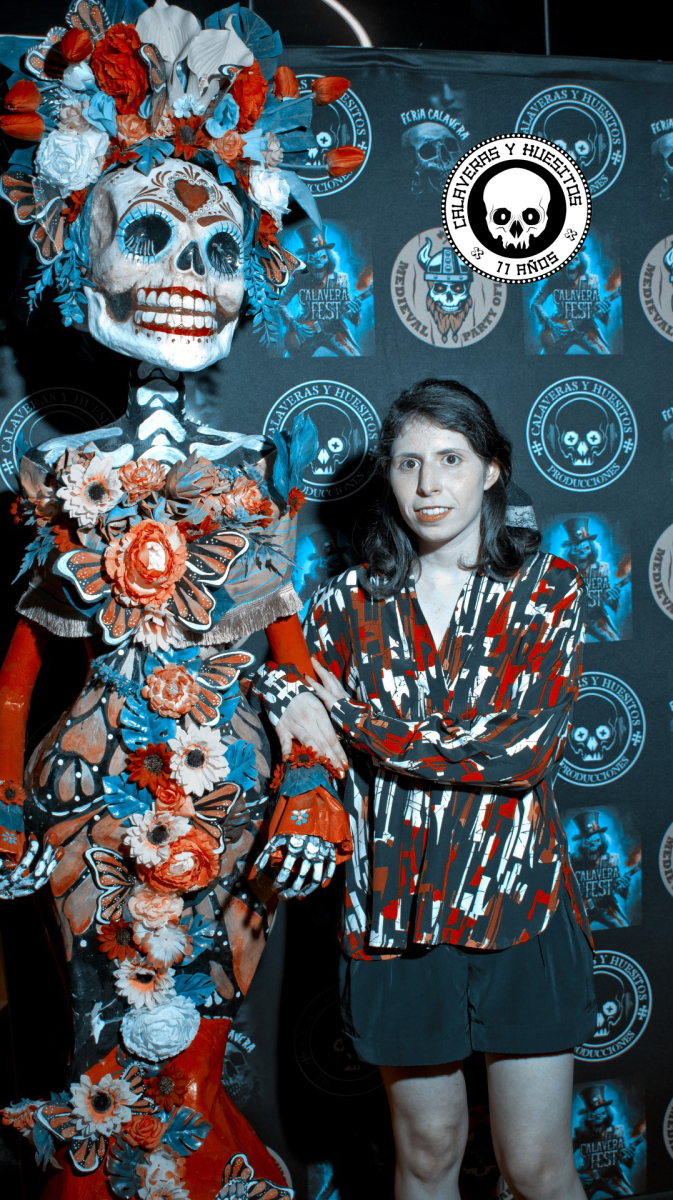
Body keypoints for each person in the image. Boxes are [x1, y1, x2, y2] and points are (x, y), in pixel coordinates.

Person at [253, 378, 597, 1200]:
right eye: (408, 464)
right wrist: (285, 693)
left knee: (536, 1165)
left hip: (519, 905)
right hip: (394, 910)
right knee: (427, 1152)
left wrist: (356, 721)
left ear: (490, 469)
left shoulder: (547, 589)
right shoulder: (344, 605)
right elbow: (284, 690)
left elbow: (518, 752)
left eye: (450, 459)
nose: (428, 485)